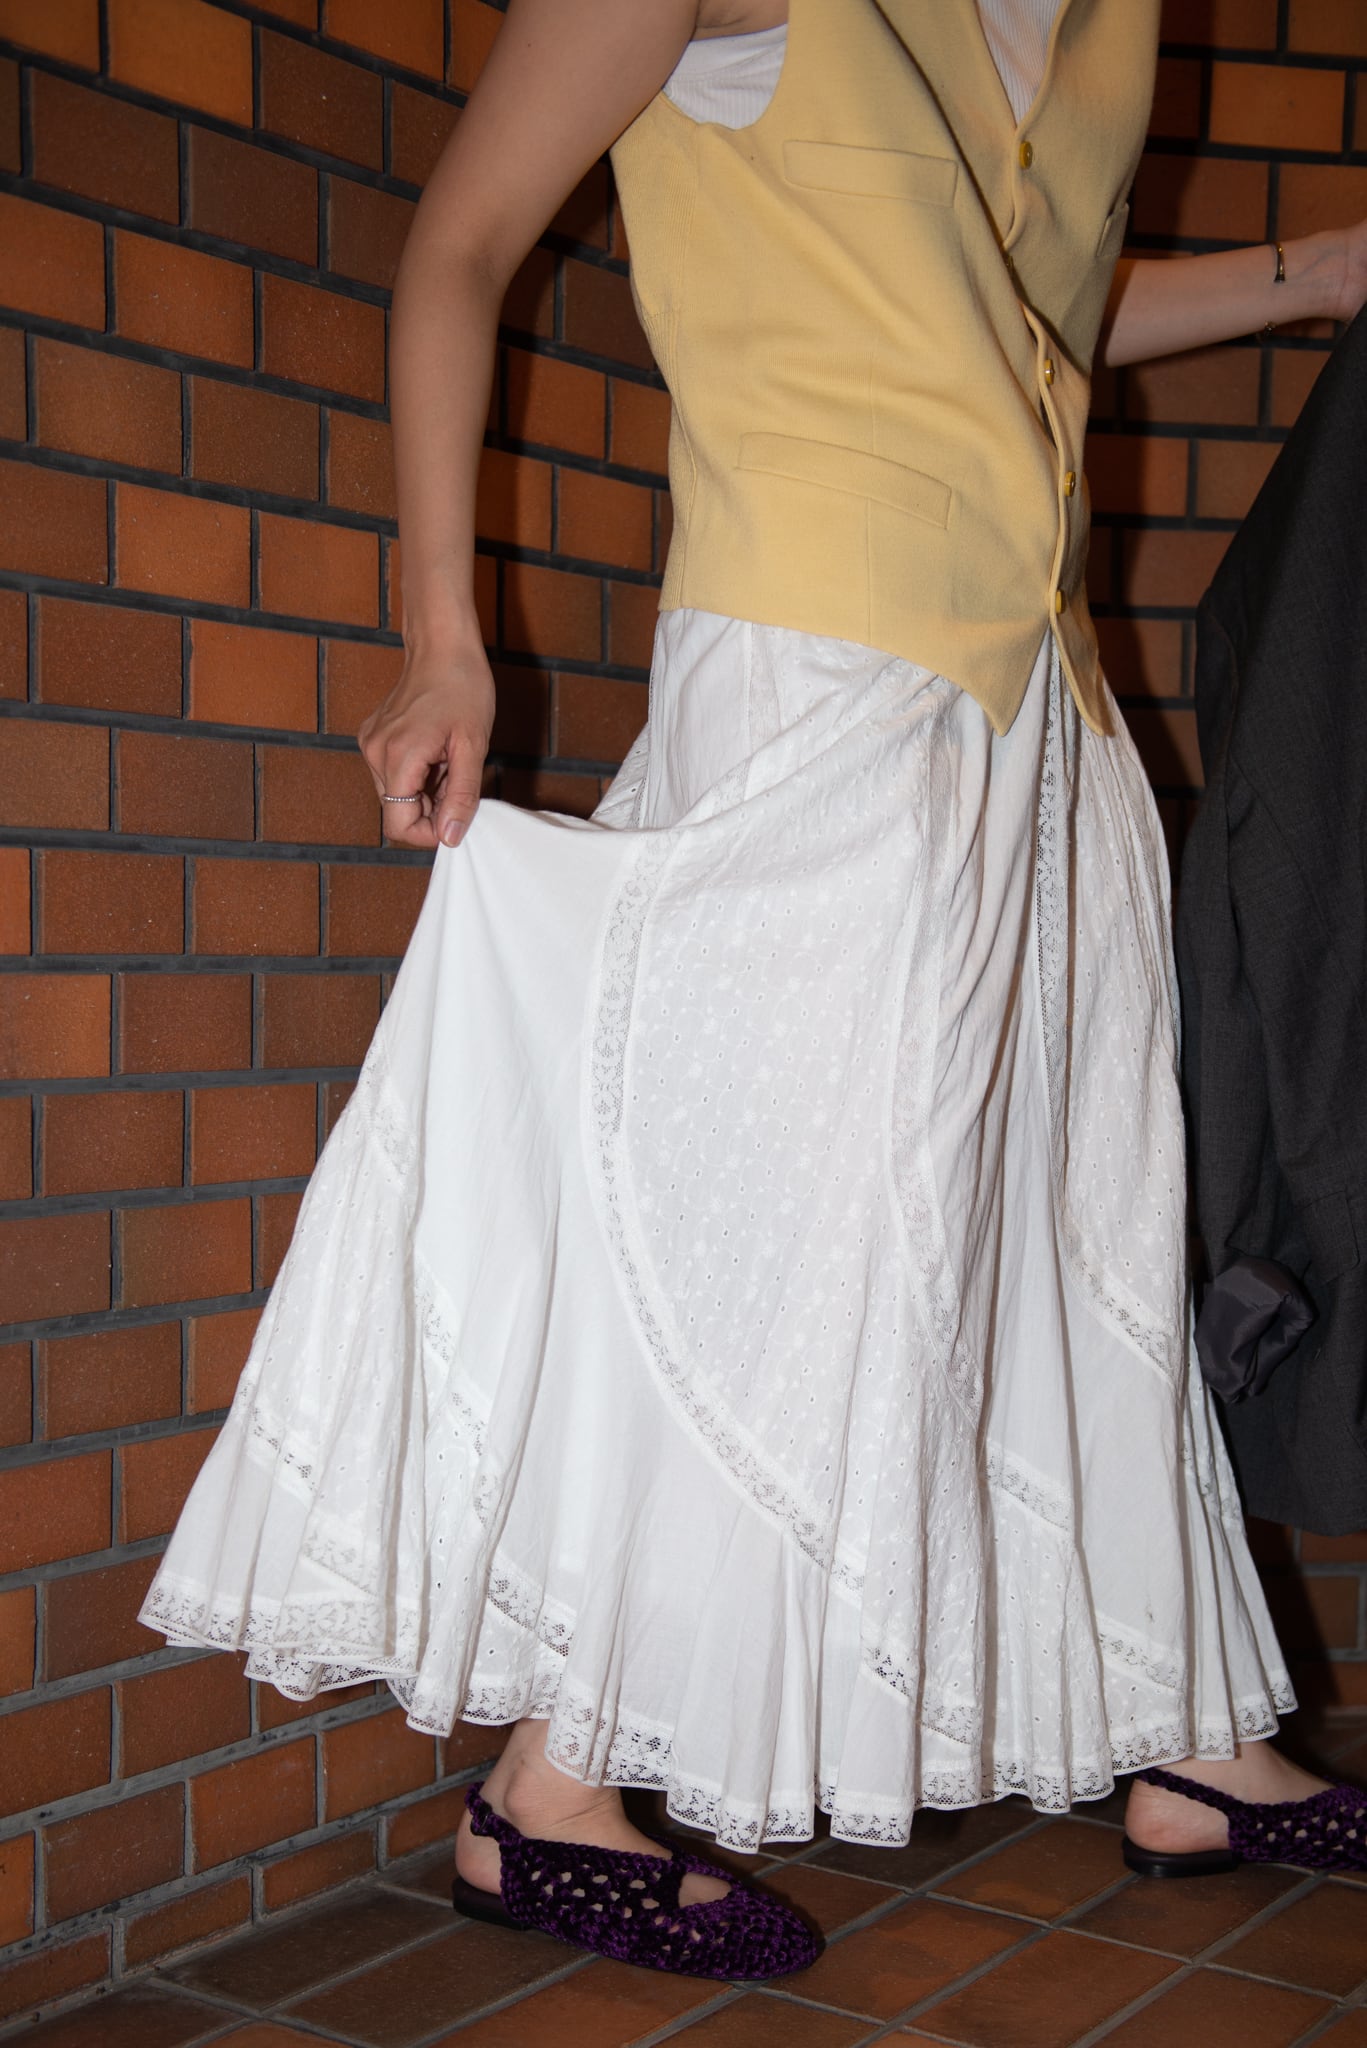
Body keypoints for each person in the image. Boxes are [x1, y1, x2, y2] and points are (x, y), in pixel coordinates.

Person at [141, 0, 1367, 1978]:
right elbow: (461, 241)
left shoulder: (1113, 18)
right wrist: (445, 637)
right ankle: (551, 1788)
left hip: (1041, 709)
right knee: (771, 1234)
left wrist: (1320, 273)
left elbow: (1034, 311)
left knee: (1067, 1227)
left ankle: (1185, 1729)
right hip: (816, 668)